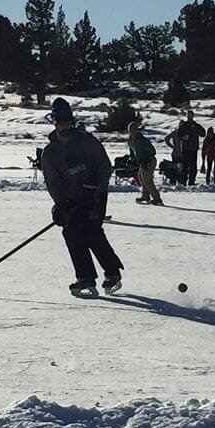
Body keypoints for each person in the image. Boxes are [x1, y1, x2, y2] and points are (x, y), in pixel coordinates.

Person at [41, 98, 124, 296]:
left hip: (95, 195)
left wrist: (97, 187)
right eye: (61, 122)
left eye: (68, 121)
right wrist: (61, 206)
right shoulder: (50, 153)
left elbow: (104, 166)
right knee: (71, 233)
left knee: (92, 231)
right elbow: (53, 183)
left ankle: (112, 273)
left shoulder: (87, 141)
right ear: (54, 122)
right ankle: (85, 277)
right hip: (72, 199)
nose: (65, 126)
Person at [128, 122, 163, 205]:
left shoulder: (142, 140)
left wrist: (146, 160)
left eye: (134, 129)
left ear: (137, 130)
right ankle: (145, 195)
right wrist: (132, 160)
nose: (132, 131)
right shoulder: (131, 140)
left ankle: (156, 198)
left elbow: (152, 150)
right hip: (142, 161)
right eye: (131, 130)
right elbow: (132, 151)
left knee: (147, 180)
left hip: (149, 161)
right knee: (140, 177)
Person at [177, 109, 205, 186]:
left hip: (194, 149)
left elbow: (203, 133)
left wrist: (196, 129)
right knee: (185, 167)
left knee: (193, 167)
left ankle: (191, 182)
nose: (189, 117)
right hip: (186, 149)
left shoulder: (196, 125)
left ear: (193, 116)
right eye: (188, 115)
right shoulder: (184, 125)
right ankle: (183, 182)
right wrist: (183, 137)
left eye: (191, 115)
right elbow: (178, 135)